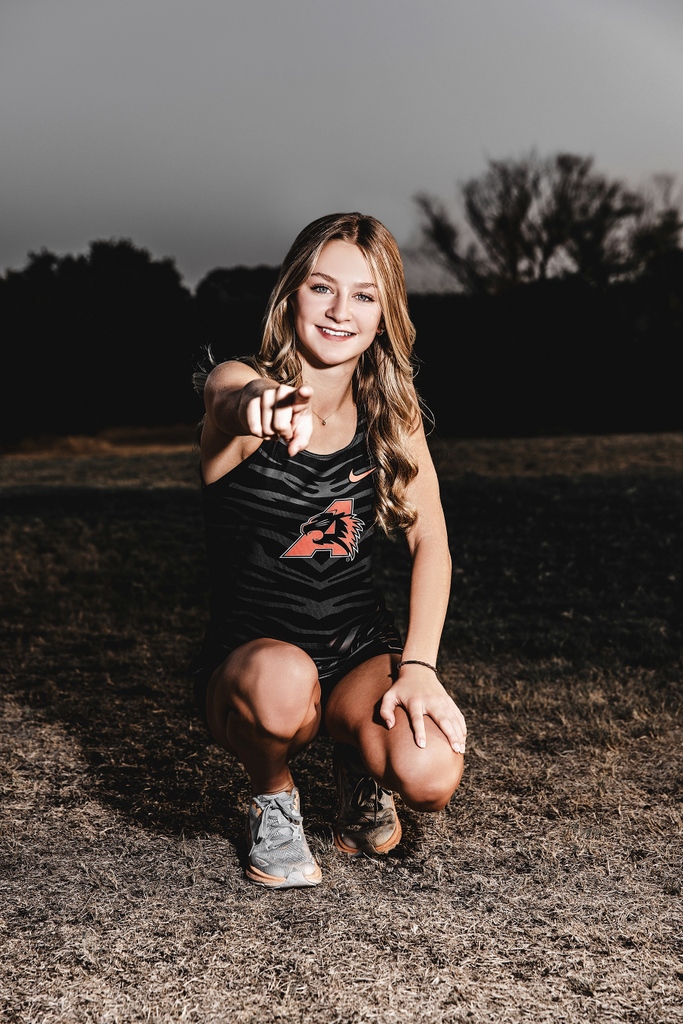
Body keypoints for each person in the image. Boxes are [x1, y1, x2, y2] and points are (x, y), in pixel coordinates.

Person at [191, 212, 466, 889]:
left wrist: (419, 667)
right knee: (282, 684)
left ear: (384, 314)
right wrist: (258, 402)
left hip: (354, 651)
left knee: (430, 772)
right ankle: (273, 794)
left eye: (364, 295)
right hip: (254, 662)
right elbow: (225, 393)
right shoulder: (247, 387)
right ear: (291, 295)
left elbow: (431, 540)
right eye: (322, 287)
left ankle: (356, 767)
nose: (341, 311)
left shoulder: (389, 414)